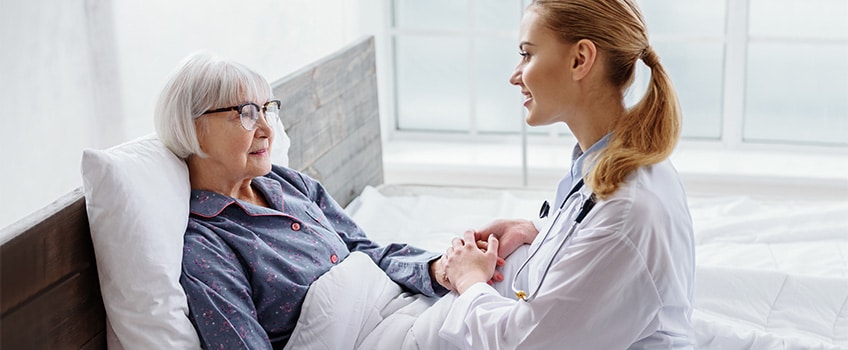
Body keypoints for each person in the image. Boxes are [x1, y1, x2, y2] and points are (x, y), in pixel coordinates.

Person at [152, 53, 467, 349]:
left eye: (266, 110)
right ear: (194, 128)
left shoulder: (287, 182)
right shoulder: (206, 247)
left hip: (397, 308)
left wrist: (440, 269)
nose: (266, 129)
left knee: (506, 268)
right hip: (373, 339)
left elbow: (362, 249)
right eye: (246, 114)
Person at [439, 0, 696, 348]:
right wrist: (537, 232)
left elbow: (523, 343)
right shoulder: (614, 162)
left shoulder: (627, 211)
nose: (515, 75)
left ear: (580, 60)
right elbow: (593, 246)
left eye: (527, 54)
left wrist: (470, 280)